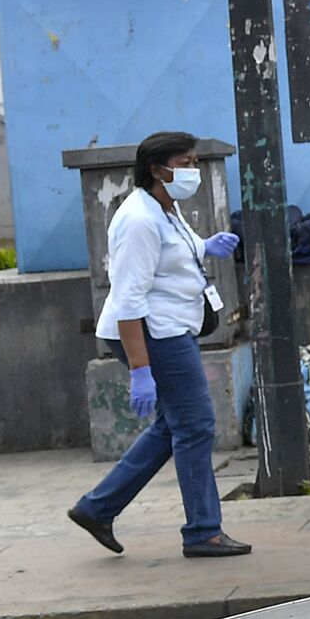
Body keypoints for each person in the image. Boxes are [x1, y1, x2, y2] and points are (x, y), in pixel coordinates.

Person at [66, 131, 251, 558]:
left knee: (175, 425)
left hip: (168, 327)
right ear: (156, 168)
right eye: (185, 163)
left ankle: (98, 508)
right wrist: (140, 370)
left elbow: (166, 261)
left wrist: (204, 246)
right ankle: (203, 531)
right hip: (152, 332)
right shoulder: (138, 219)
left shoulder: (166, 208)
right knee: (197, 424)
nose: (193, 172)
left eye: (194, 162)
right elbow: (128, 298)